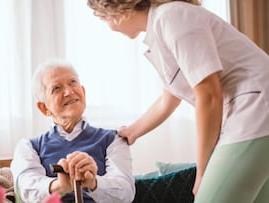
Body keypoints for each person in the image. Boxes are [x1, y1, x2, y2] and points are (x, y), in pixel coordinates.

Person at [87, 0, 269, 202]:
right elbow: (170, 97)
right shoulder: (163, 25)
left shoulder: (171, 18)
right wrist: (132, 132)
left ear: (119, 12)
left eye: (104, 19)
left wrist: (203, 169)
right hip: (254, 112)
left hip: (256, 111)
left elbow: (209, 94)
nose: (109, 27)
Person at [10, 59, 135, 203]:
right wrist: (60, 186)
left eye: (72, 82)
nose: (69, 92)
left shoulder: (114, 139)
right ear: (44, 108)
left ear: (83, 92)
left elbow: (126, 193)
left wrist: (93, 183)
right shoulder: (28, 147)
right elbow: (26, 190)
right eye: (56, 88)